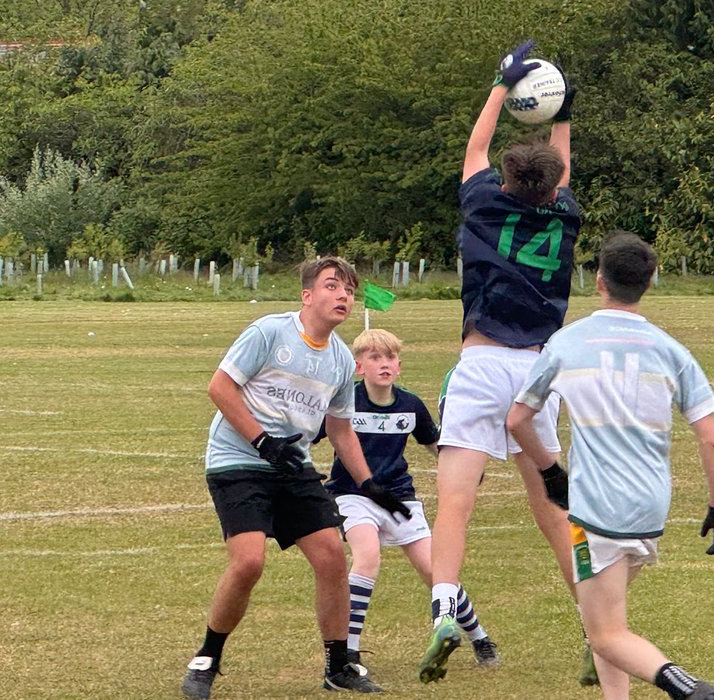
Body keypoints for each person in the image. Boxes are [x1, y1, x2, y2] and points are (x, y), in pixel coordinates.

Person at [421, 39, 587, 685]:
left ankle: (442, 611)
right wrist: (563, 108)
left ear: (506, 181)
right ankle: (593, 624)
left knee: (455, 503)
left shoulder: (484, 203)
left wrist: (499, 83)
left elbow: (473, 153)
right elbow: (562, 171)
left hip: (483, 365)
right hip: (539, 375)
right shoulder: (565, 214)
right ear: (550, 188)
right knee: (551, 507)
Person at [507, 231, 714, 700]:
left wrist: (550, 471)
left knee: (604, 633)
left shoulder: (566, 343)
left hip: (597, 509)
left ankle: (684, 685)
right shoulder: (671, 349)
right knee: (608, 619)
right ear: (651, 281)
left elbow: (518, 419)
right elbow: (710, 439)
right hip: (650, 506)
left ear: (598, 280)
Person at [182, 258, 397, 698]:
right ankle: (207, 657)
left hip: (291, 467)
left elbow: (339, 427)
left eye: (349, 291)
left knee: (332, 558)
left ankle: (339, 666)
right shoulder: (269, 332)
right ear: (307, 296)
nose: (343, 296)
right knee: (248, 563)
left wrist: (369, 482)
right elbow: (219, 387)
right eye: (332, 286)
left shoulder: (340, 358)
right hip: (237, 459)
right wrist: (263, 442)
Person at [314, 328, 498, 677]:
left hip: (400, 499)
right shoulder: (345, 402)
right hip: (352, 495)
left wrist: (468, 469)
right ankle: (348, 651)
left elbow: (436, 445)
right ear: (359, 367)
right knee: (367, 557)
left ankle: (480, 638)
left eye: (390, 358)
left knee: (435, 570)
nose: (384, 364)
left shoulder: (410, 405)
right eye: (375, 358)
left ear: (398, 366)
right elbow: (311, 435)